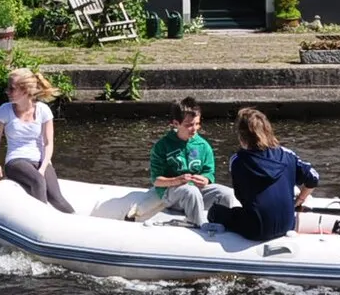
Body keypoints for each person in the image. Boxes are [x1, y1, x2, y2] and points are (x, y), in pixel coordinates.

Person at [206, 106, 320, 241]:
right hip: (288, 224)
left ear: (242, 136)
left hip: (256, 229)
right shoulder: (288, 155)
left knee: (215, 212)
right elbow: (314, 178)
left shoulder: (238, 160)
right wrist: (299, 200)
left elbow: (241, 195)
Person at [124, 97, 237, 225]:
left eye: (197, 123)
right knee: (191, 192)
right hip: (170, 193)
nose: (194, 129)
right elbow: (156, 180)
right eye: (189, 125)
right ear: (176, 124)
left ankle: (221, 226)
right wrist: (177, 180)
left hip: (195, 191)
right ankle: (197, 226)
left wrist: (206, 179)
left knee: (226, 194)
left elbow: (209, 172)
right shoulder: (162, 146)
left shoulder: (203, 145)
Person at [0, 67, 73, 212]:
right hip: (16, 160)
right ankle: (43, 222)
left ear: (25, 90)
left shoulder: (43, 110)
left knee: (56, 198)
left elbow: (48, 143)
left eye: (12, 88)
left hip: (41, 160)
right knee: (38, 181)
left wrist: (43, 167)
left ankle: (76, 222)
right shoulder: (4, 110)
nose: (7, 91)